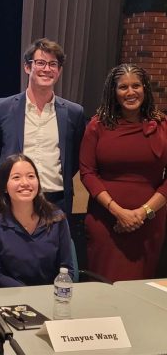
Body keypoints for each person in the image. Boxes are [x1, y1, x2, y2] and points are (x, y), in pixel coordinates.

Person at [80, 64, 167, 281]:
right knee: (104, 287)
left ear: (145, 88)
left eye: (136, 85)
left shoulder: (163, 125)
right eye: (123, 87)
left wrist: (143, 212)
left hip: (149, 223)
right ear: (114, 92)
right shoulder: (97, 125)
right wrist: (119, 212)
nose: (130, 92)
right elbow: (87, 172)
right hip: (106, 222)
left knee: (141, 288)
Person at [0, 38, 85, 216]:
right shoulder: (2, 108)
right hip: (12, 201)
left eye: (53, 64)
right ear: (27, 67)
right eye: (40, 63)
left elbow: (74, 159)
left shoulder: (74, 113)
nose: (47, 69)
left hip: (57, 202)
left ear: (59, 71)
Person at [0, 154, 73, 287]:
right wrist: (29, 295)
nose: (25, 183)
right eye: (16, 177)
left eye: (31, 176)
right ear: (4, 186)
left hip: (51, 296)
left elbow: (67, 269)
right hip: (12, 299)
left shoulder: (57, 218)